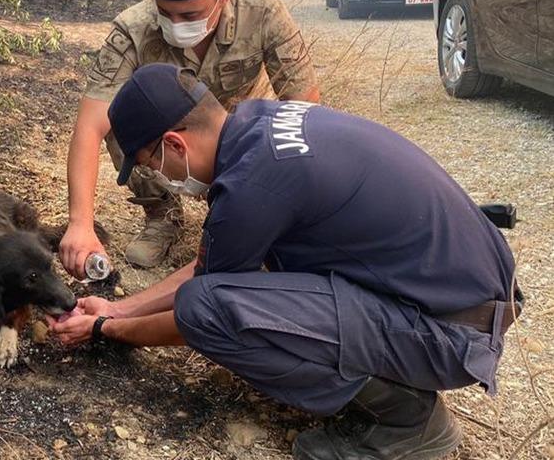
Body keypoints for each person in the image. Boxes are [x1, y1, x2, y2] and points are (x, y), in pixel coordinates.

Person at [47, 64, 520, 459]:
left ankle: (406, 421)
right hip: (467, 298)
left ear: (175, 143)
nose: (160, 176)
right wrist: (117, 307)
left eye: (152, 164)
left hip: (454, 333)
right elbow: (209, 268)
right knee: (220, 292)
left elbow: (197, 311)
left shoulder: (251, 187)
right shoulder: (262, 128)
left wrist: (104, 331)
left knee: (203, 309)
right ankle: (395, 389)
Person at [59, 0, 319, 275]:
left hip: (241, 132)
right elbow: (90, 125)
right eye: (166, 13)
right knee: (122, 123)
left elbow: (303, 110)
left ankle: (247, 214)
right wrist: (80, 224)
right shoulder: (134, 27)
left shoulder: (264, 10)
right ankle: (162, 215)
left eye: (190, 16)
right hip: (174, 130)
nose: (176, 24)